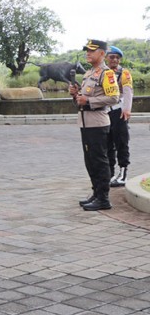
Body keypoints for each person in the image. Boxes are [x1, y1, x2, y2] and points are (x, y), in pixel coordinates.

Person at [69, 40, 119, 211]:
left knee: (99, 160)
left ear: (102, 54)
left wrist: (88, 100)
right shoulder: (89, 73)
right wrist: (75, 95)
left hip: (98, 122)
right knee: (90, 161)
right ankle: (96, 193)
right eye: (87, 51)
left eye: (92, 51)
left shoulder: (107, 74)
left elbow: (114, 98)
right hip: (85, 122)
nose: (88, 53)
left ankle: (104, 199)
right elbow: (80, 102)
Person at [105, 46, 133, 187]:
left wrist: (127, 109)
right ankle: (110, 173)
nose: (115, 60)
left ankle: (123, 174)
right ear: (106, 58)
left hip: (119, 111)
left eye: (117, 57)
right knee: (108, 143)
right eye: (112, 57)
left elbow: (128, 91)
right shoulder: (102, 72)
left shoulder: (124, 73)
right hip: (105, 112)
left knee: (121, 142)